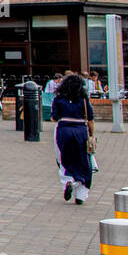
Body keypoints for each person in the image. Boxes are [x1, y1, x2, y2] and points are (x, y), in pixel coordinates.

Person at [51, 72, 95, 205]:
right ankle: (81, 194)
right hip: (80, 130)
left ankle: (68, 181)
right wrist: (91, 134)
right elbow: (90, 120)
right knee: (83, 161)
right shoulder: (84, 100)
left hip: (63, 130)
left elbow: (54, 118)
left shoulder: (58, 99)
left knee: (64, 159)